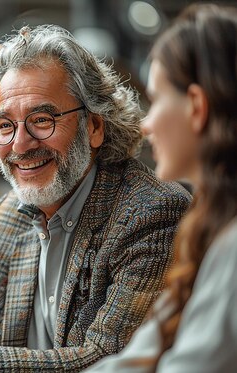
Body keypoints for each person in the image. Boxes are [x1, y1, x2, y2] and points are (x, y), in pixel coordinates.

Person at [0, 23, 192, 372]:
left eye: (41, 120)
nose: (19, 145)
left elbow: (108, 358)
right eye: (4, 125)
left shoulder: (151, 213)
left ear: (94, 126)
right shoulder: (9, 214)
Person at [84, 4, 237, 372]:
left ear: (197, 107)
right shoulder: (212, 224)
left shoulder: (231, 244)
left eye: (155, 100)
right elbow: (134, 360)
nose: (146, 124)